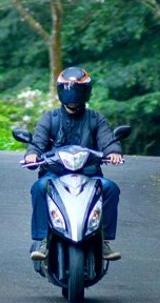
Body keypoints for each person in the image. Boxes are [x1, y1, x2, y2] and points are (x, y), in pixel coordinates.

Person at [25, 65, 124, 261]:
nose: (73, 95)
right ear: (61, 91)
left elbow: (107, 141)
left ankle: (103, 240)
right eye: (69, 89)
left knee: (110, 188)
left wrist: (113, 152)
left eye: (78, 89)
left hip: (88, 174)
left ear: (86, 91)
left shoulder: (95, 118)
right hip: (55, 174)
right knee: (40, 187)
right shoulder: (50, 118)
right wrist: (32, 155)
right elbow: (38, 142)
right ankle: (42, 240)